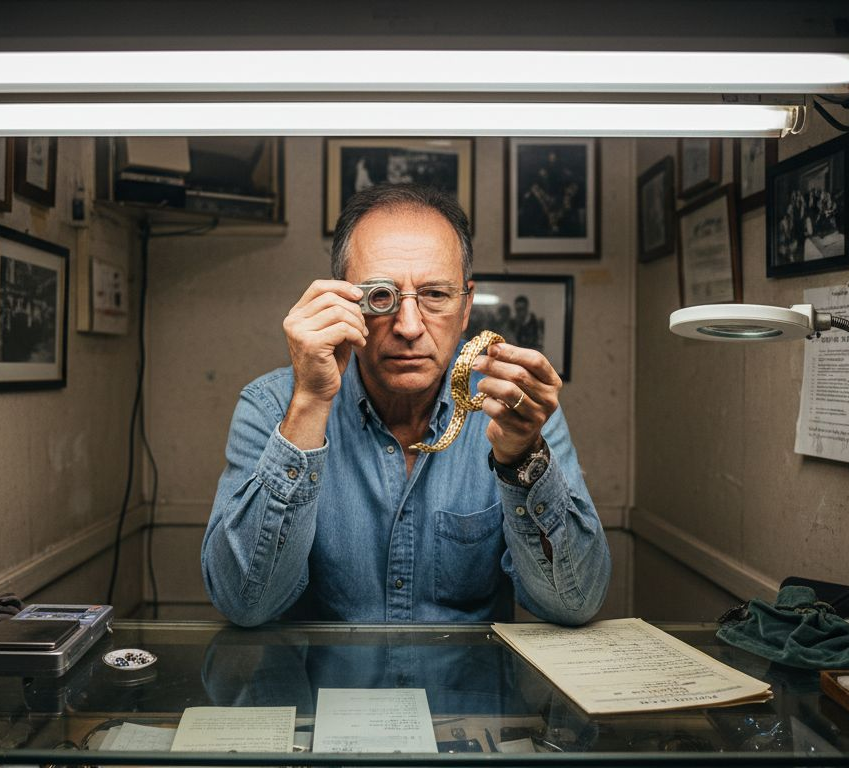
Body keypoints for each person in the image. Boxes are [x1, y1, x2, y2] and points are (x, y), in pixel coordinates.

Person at [201, 183, 610, 627]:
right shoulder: (273, 406)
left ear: (466, 306)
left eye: (435, 295)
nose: (410, 326)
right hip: (324, 690)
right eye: (381, 295)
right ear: (343, 301)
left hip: (465, 692)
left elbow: (576, 602)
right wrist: (310, 404)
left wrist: (521, 458)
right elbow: (244, 603)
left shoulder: (514, 408)